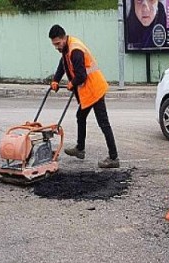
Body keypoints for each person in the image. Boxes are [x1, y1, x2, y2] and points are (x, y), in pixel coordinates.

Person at [48, 24, 120, 169]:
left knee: (103, 123)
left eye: (57, 43)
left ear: (63, 38)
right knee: (80, 116)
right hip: (88, 91)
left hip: (95, 89)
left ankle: (114, 158)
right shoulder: (66, 48)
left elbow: (81, 75)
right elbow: (63, 65)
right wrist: (55, 80)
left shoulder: (75, 50)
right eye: (54, 44)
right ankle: (80, 149)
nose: (56, 47)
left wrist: (72, 83)